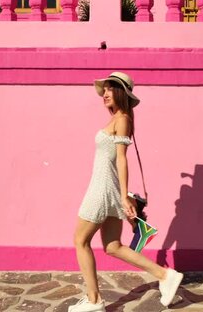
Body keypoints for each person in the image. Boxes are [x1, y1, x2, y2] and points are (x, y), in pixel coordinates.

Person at [70, 72, 184, 312]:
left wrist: (123, 196)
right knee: (113, 246)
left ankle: (93, 300)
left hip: (102, 189)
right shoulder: (117, 120)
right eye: (105, 89)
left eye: (111, 89)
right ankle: (165, 275)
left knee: (80, 241)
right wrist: (121, 195)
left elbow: (122, 159)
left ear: (122, 93)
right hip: (106, 188)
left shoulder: (122, 119)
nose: (106, 93)